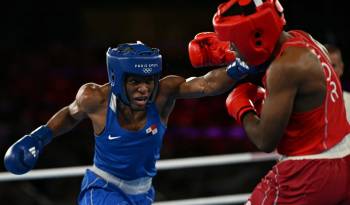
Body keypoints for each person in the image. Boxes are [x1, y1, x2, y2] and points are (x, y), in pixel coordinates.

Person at [3, 39, 256, 205]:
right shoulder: (95, 98)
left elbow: (207, 84)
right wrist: (39, 137)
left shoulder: (164, 93)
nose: (144, 89)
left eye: (148, 81)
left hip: (142, 192)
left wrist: (240, 65)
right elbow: (70, 114)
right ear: (117, 78)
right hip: (102, 189)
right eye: (135, 82)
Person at [213, 0, 350, 204]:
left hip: (308, 170)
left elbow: (265, 140)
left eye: (234, 39)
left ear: (256, 35)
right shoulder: (303, 38)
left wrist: (241, 106)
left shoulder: (284, 67)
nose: (231, 46)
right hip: (342, 159)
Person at [324, 43, 350, 122]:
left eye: (333, 66)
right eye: (325, 66)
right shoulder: (309, 105)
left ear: (341, 68)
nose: (329, 71)